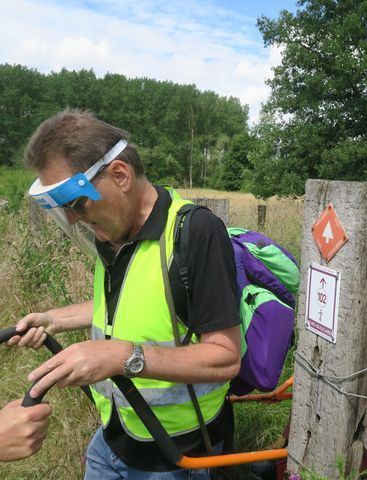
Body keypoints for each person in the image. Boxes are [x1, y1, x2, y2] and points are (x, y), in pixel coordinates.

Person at [8, 109, 241, 479]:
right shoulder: (112, 232)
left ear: (120, 175)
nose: (72, 219)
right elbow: (124, 304)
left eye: (76, 203)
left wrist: (123, 357)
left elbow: (227, 358)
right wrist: (56, 319)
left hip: (175, 454)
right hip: (112, 438)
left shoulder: (196, 233)